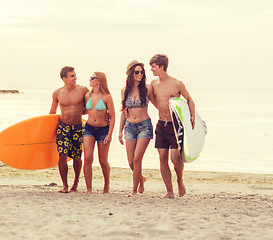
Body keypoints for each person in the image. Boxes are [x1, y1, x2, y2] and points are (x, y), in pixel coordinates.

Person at [149, 54, 195, 199]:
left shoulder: (176, 84)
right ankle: (169, 191)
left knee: (175, 158)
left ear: (161, 67)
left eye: (153, 66)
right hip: (162, 124)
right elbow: (152, 99)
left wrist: (192, 116)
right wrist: (161, 110)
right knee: (162, 157)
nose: (151, 69)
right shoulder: (154, 84)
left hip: (176, 126)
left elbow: (189, 100)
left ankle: (180, 180)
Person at [49, 66, 89, 193]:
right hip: (63, 126)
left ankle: (76, 183)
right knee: (62, 155)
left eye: (75, 75)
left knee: (77, 156)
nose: (75, 78)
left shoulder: (83, 90)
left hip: (78, 127)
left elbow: (88, 108)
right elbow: (52, 112)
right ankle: (65, 185)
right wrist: (47, 131)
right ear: (64, 78)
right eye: (72, 76)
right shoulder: (57, 93)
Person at [119, 60, 156, 196]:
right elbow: (124, 111)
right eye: (137, 72)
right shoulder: (125, 90)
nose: (140, 74)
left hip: (144, 126)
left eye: (142, 72)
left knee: (136, 159)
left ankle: (134, 191)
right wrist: (120, 130)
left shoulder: (147, 88)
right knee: (130, 162)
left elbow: (157, 104)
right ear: (130, 74)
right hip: (129, 127)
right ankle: (141, 179)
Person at [83, 72, 116, 194]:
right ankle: (89, 188)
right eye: (90, 77)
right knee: (87, 158)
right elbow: (84, 111)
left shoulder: (107, 97)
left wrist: (110, 134)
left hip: (103, 130)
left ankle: (106, 186)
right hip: (89, 128)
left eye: (93, 78)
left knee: (103, 161)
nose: (90, 79)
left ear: (100, 80)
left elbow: (112, 117)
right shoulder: (87, 95)